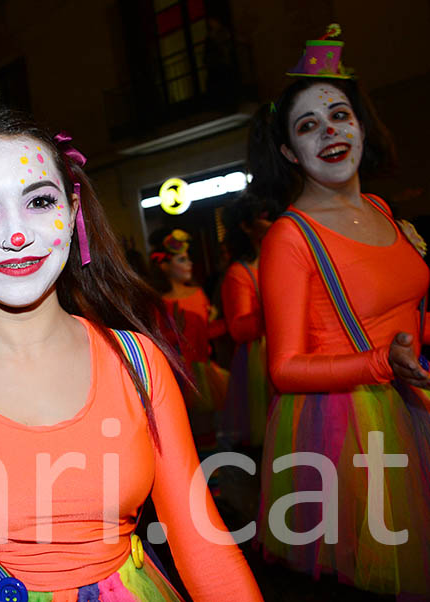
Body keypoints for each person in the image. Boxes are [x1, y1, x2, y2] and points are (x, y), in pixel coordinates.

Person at [0, 63, 261, 601]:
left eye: (39, 201)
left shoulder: (138, 364)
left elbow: (205, 549)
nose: (16, 234)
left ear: (72, 214)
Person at [249, 25, 430, 597]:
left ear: (360, 124)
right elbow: (285, 368)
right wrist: (382, 363)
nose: (329, 132)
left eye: (339, 116)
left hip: (416, 403)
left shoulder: (381, 207)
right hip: (351, 430)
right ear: (289, 151)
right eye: (308, 126)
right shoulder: (289, 237)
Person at [149, 228, 229, 450]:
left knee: (208, 431)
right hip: (177, 374)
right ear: (165, 266)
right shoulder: (159, 302)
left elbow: (206, 333)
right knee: (185, 435)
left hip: (203, 371)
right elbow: (157, 340)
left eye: (188, 259)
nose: (189, 264)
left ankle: (214, 480)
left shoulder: (198, 293)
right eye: (182, 260)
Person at [220, 193, 277, 448]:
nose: (271, 223)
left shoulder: (279, 260)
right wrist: (275, 310)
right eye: (263, 218)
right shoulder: (239, 273)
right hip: (260, 358)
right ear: (245, 226)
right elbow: (238, 328)